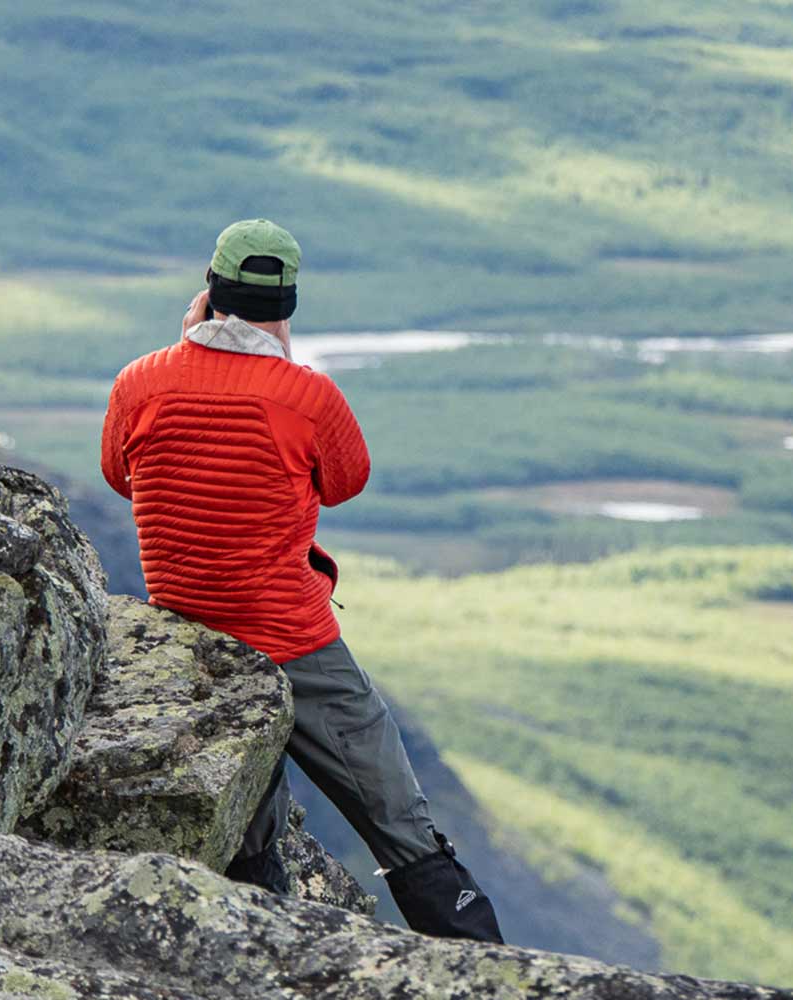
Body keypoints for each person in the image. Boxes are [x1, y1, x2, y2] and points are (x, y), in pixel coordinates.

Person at [100, 219, 503, 943]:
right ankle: (479, 960)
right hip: (291, 638)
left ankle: (258, 946)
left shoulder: (139, 382)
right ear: (286, 305)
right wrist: (279, 365)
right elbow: (346, 481)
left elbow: (119, 475)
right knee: (398, 818)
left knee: (247, 824)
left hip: (185, 638)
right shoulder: (306, 397)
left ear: (208, 292)